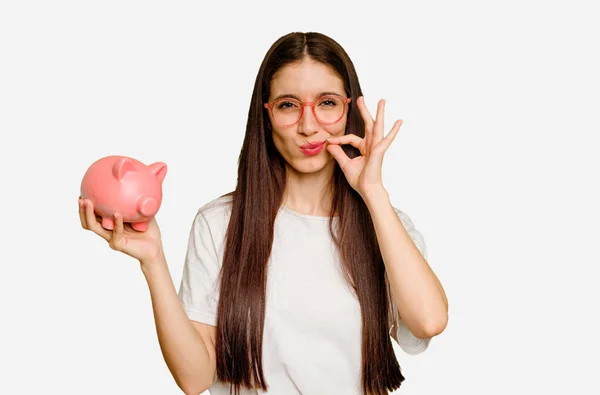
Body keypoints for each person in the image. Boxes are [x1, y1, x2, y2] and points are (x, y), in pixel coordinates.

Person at [78, 31, 448, 395]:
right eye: (288, 105)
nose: (308, 125)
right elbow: (195, 379)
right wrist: (153, 261)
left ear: (350, 110)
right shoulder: (220, 222)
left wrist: (373, 193)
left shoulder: (386, 226)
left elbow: (429, 321)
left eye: (327, 103)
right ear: (266, 115)